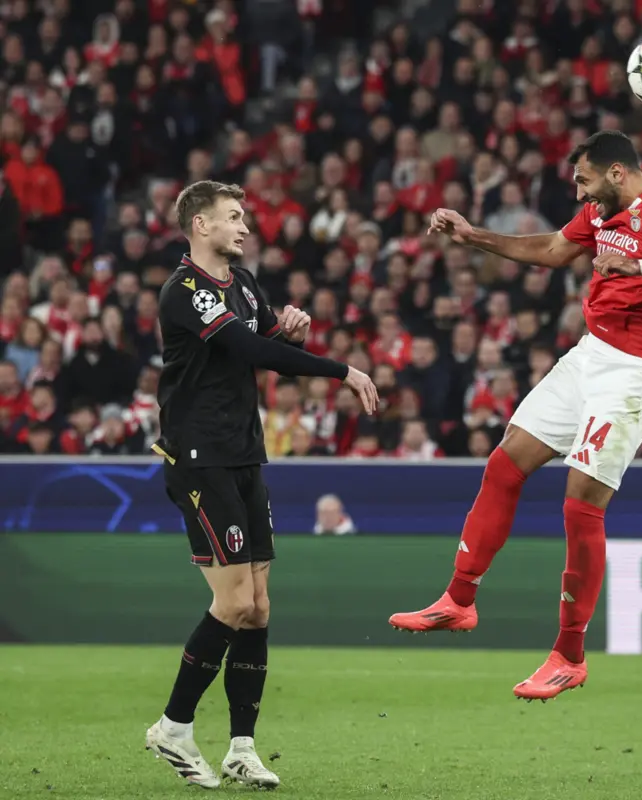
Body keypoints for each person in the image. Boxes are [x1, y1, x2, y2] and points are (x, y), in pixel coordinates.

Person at [388, 131, 642, 700]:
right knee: (505, 463)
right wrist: (472, 236)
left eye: (585, 180)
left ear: (618, 172)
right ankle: (459, 600)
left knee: (580, 504)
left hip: (638, 370)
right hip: (591, 353)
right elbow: (551, 251)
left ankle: (569, 655)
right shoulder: (601, 211)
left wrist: (641, 266)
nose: (579, 193)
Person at [145, 180, 378, 788]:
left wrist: (289, 332)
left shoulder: (244, 285)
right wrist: (341, 369)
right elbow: (246, 346)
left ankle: (242, 748)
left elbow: (263, 339)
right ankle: (172, 725)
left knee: (259, 609)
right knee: (236, 602)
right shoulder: (185, 290)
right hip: (201, 459)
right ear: (199, 225)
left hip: (245, 454)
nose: (245, 227)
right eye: (233, 217)